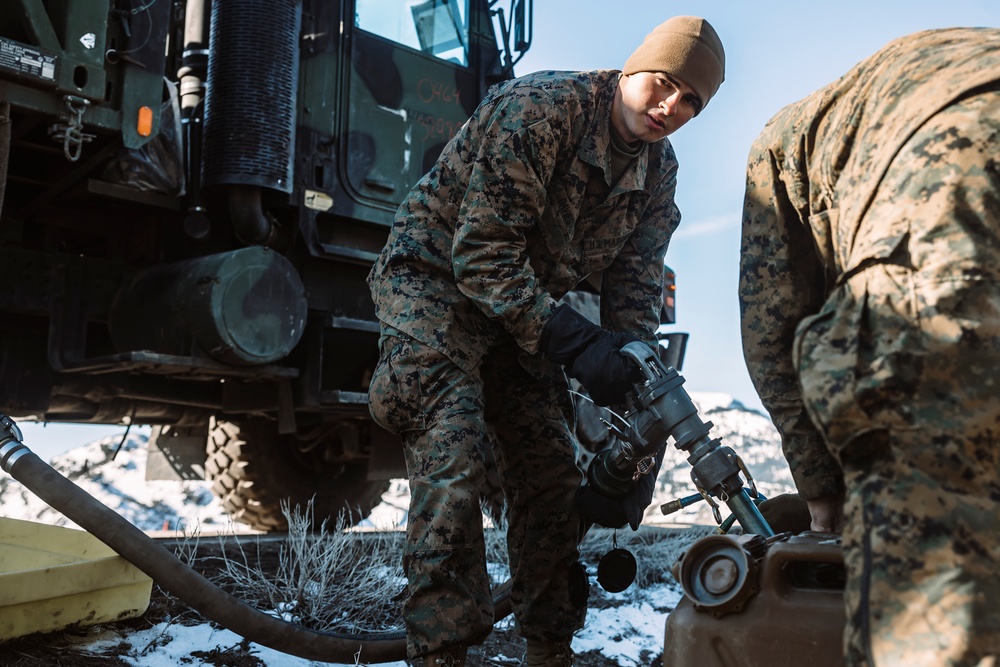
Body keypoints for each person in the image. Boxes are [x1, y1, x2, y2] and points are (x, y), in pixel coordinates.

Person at [367, 16, 725, 667]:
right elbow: (478, 254)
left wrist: (633, 426)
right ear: (632, 68)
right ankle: (442, 651)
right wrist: (570, 337)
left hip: (519, 310)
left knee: (550, 470)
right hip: (437, 283)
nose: (672, 106)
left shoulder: (657, 173)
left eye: (692, 100)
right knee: (454, 451)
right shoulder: (544, 108)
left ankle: (549, 646)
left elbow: (634, 297)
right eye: (664, 83)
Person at [740, 27, 1000, 667]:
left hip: (946, 193)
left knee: (930, 599)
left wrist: (821, 488)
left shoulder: (784, 143)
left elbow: (772, 322)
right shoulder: (931, 65)